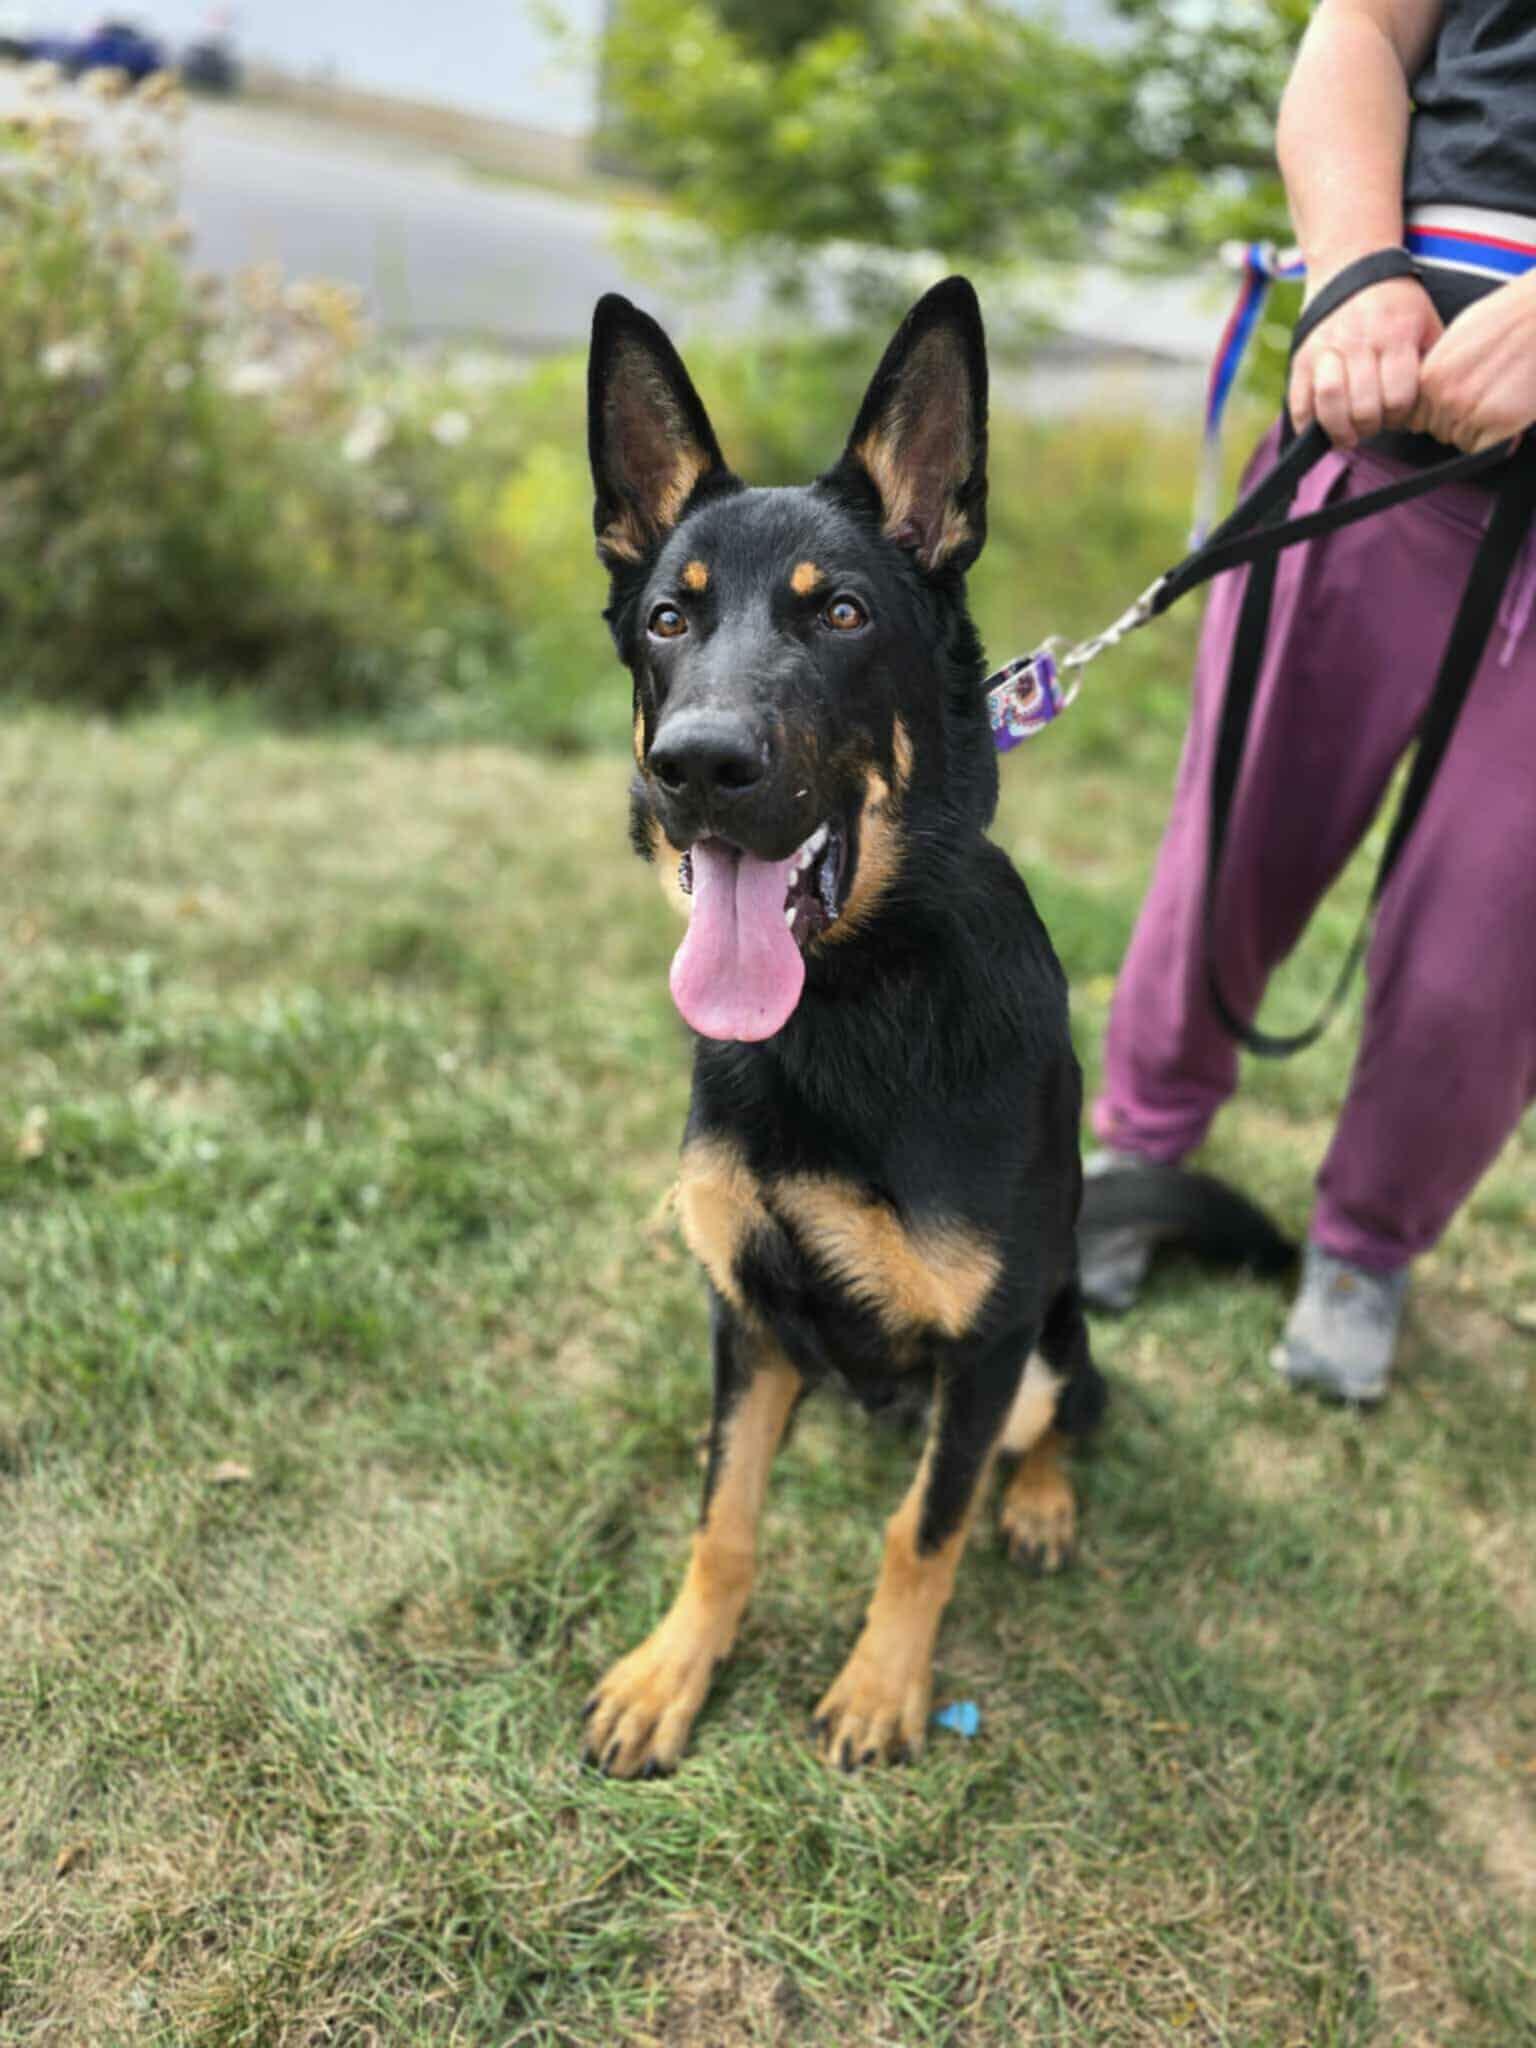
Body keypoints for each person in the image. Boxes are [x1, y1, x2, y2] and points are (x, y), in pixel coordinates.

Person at [1081, 0, 1536, 1401]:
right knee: (1237, 834)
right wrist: (1353, 273)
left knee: (1493, 939)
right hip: (1371, 440)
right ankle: (1141, 1145)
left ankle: (1370, 1241)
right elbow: (1360, 34)